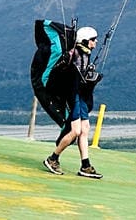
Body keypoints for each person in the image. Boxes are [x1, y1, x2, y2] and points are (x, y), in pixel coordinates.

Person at [42, 25, 104, 179]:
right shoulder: (73, 54)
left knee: (85, 129)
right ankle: (52, 158)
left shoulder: (85, 54)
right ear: (85, 41)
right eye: (93, 40)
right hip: (71, 96)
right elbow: (68, 77)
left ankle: (85, 165)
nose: (95, 42)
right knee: (75, 131)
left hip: (80, 95)